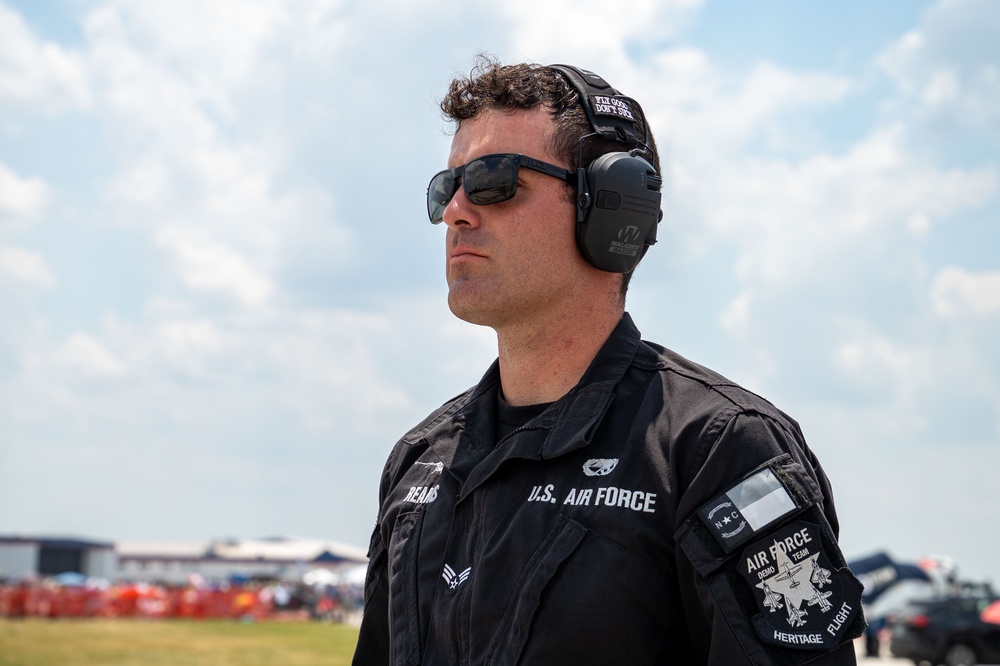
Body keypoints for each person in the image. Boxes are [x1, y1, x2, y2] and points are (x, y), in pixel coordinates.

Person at [353, 56, 864, 665]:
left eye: (494, 180)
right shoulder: (419, 462)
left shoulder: (716, 452)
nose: (457, 211)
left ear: (610, 205)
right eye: (448, 186)